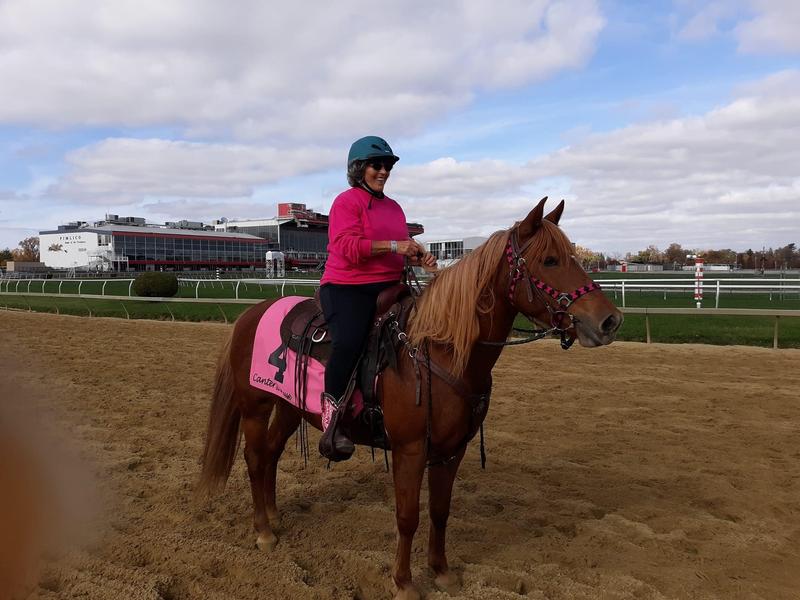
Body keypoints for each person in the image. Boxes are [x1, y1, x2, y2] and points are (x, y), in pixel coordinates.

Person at [318, 135, 437, 461]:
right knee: (349, 342)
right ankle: (332, 418)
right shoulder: (346, 202)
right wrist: (398, 246)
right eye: (376, 165)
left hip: (388, 286)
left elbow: (398, 249)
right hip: (347, 287)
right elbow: (348, 248)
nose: (383, 171)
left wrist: (417, 257)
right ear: (359, 169)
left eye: (387, 166)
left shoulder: (394, 208)